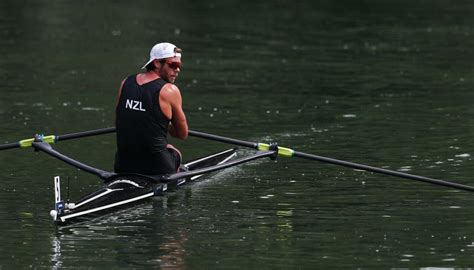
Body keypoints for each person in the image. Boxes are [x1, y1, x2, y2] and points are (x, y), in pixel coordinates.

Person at [114, 42, 188, 175]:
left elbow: (121, 121)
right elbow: (182, 134)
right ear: (156, 63)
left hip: (122, 165)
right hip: (158, 169)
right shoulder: (170, 90)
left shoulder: (126, 82)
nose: (177, 69)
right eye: (173, 64)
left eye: (179, 65)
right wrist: (165, 124)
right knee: (174, 152)